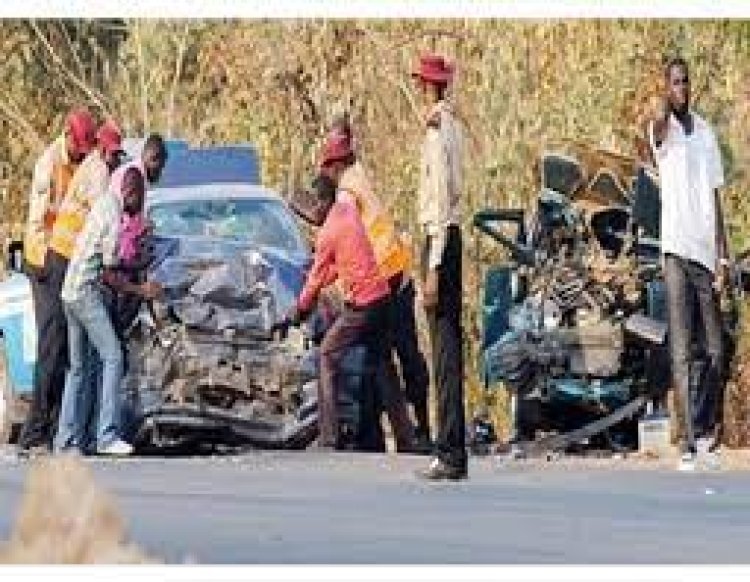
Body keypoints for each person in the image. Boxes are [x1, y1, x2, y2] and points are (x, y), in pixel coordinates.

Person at [319, 125, 426, 452]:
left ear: (334, 166)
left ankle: (342, 435)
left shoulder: (347, 194)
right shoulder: (360, 176)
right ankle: (409, 433)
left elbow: (348, 239)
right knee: (386, 356)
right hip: (396, 272)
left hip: (382, 278)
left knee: (375, 355)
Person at [648, 57, 727, 472]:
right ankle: (688, 445)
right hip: (676, 248)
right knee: (680, 347)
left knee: (715, 348)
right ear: (666, 87)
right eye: (674, 82)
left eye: (685, 82)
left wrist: (724, 253)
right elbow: (658, 128)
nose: (681, 87)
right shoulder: (665, 133)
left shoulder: (706, 133)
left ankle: (705, 429)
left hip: (705, 253)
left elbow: (716, 196)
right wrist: (660, 107)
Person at [54, 167, 162, 456]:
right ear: (130, 193)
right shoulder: (114, 216)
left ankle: (68, 440)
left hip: (69, 291)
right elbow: (109, 274)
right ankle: (106, 435)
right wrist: (142, 290)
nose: (140, 206)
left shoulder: (103, 202)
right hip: (86, 294)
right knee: (113, 356)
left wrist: (136, 265)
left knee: (79, 369)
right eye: (140, 198)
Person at [284, 170, 393, 451]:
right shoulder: (347, 212)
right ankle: (403, 436)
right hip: (380, 295)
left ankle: (329, 435)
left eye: (312, 206)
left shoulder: (328, 232)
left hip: (362, 303)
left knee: (326, 355)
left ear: (322, 202)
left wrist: (298, 311)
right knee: (382, 368)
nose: (310, 215)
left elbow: (316, 280)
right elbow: (342, 262)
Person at [18, 108, 97, 452]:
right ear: (67, 136)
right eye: (80, 146)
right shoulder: (48, 165)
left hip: (70, 259)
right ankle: (33, 432)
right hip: (45, 260)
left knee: (67, 346)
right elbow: (37, 222)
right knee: (50, 344)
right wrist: (49, 264)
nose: (82, 152)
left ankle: (54, 429)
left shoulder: (85, 164)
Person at [412, 53, 467, 480]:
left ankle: (449, 451)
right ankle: (451, 448)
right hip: (444, 241)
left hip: (441, 241)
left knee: (444, 353)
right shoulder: (452, 125)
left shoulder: (437, 130)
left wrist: (432, 265)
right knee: (445, 350)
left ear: (428, 87)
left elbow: (443, 201)